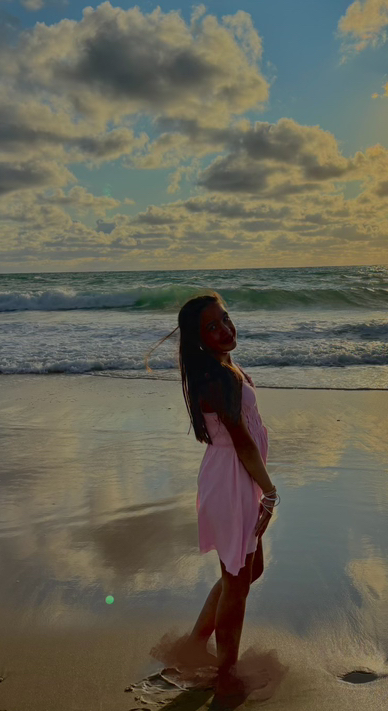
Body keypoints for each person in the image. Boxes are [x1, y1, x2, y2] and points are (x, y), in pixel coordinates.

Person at [148, 292, 278, 702]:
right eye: (212, 327)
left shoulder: (223, 368)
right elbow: (242, 442)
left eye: (225, 318)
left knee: (247, 571)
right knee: (237, 583)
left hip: (236, 478)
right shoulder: (217, 378)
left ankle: (195, 643)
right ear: (198, 338)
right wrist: (270, 492)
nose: (225, 329)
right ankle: (226, 673)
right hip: (232, 482)